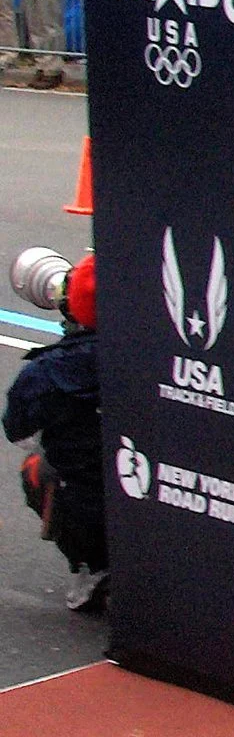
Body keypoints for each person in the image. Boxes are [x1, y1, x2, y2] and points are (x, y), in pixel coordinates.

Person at [6, 252, 106, 610]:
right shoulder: (162, 354)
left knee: (37, 467)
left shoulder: (47, 371)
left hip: (93, 501)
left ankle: (92, 564)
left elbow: (18, 432)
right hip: (171, 490)